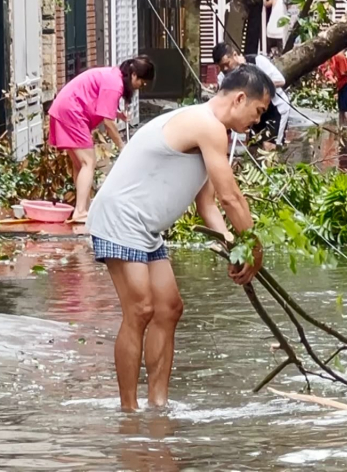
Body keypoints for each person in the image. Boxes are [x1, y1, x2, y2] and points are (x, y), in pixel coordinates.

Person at [87, 65, 273, 411]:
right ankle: (129, 411)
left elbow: (209, 207)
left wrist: (235, 248)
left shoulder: (212, 132)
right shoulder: (207, 125)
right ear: (240, 98)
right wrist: (254, 245)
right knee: (140, 309)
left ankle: (158, 405)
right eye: (258, 112)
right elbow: (231, 196)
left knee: (170, 309)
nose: (257, 122)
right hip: (120, 218)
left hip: (146, 229)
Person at [48, 56, 155, 222]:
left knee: (80, 164)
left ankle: (83, 208)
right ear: (134, 75)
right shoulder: (115, 84)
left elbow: (101, 105)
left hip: (66, 108)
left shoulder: (114, 75)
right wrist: (121, 145)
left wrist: (118, 113)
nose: (141, 87)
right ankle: (80, 211)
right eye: (143, 82)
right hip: (72, 112)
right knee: (88, 163)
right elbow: (107, 121)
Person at [212, 43, 291, 147]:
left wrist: (253, 80)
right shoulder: (223, 77)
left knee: (269, 146)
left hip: (275, 109)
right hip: (252, 113)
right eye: (222, 67)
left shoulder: (257, 61)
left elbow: (281, 81)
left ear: (235, 55)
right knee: (253, 145)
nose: (226, 69)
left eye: (227, 63)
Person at [321, 51, 347, 129]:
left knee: (344, 107)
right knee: (343, 107)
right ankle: (345, 125)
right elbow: (340, 73)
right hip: (342, 84)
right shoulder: (334, 59)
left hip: (343, 84)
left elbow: (343, 72)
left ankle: (346, 125)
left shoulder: (338, 58)